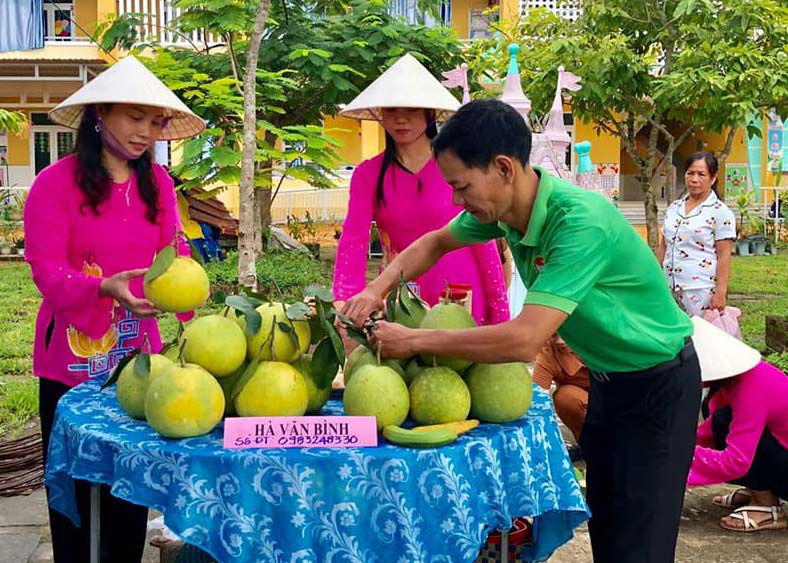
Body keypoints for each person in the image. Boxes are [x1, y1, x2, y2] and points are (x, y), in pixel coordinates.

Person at [344, 99, 701, 563]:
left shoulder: (578, 223)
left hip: (658, 387)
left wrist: (411, 339)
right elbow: (435, 241)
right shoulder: (505, 212)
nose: (456, 200)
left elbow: (523, 339)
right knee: (611, 532)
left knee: (642, 545)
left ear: (503, 168)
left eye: (461, 186)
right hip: (608, 383)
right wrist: (376, 290)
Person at [24, 55, 205, 563]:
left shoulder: (160, 186)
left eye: (155, 121)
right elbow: (47, 273)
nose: (145, 131)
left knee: (130, 490)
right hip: (71, 360)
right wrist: (106, 287)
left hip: (140, 362)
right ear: (99, 113)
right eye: (134, 117)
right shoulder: (53, 185)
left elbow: (177, 257)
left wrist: (196, 312)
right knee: (78, 499)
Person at [333, 53, 509, 327]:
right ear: (380, 113)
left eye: (412, 110)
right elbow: (353, 240)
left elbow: (482, 240)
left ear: (429, 113)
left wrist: (500, 312)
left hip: (461, 293)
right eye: (392, 110)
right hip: (401, 296)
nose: (400, 120)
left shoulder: (460, 166)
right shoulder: (367, 174)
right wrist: (344, 301)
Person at [688, 316, 788, 532]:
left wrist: (677, 457)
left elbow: (736, 461)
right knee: (722, 422)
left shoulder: (752, 387)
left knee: (726, 423)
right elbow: (709, 432)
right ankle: (759, 489)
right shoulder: (737, 380)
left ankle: (766, 505)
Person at [656, 152, 736, 316]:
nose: (694, 179)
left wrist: (720, 292)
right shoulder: (674, 208)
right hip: (668, 287)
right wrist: (654, 277)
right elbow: (664, 245)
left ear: (712, 178)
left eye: (701, 174)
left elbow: (724, 255)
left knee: (699, 337)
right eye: (690, 173)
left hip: (699, 290)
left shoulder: (720, 212)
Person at [532, 335, 590, 444]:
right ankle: (586, 445)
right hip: (583, 400)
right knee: (565, 397)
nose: (560, 342)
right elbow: (538, 398)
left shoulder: (600, 341)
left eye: (565, 334)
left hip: (616, 395)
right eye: (554, 335)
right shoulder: (548, 352)